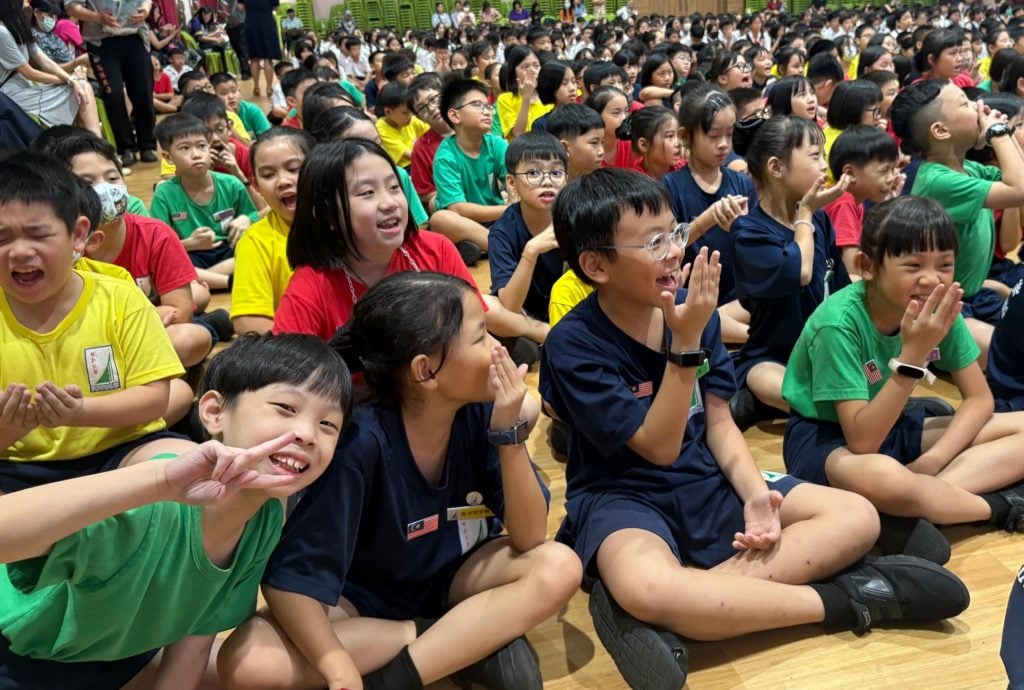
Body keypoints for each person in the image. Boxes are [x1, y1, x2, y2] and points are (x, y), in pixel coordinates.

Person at [539, 168, 969, 689]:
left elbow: (719, 421)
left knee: (856, 515)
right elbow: (656, 448)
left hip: (707, 477)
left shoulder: (698, 315)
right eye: (653, 243)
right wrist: (685, 345)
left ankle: (689, 608)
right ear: (595, 265)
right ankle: (851, 598)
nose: (675, 251)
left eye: (675, 233)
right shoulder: (573, 343)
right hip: (623, 495)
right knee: (649, 585)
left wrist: (752, 496)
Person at [220, 271, 580, 690]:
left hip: (457, 577)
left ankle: (406, 671)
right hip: (364, 601)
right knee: (249, 661)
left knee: (559, 566)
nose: (499, 347)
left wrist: (509, 437)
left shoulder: (483, 414)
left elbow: (532, 536)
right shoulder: (361, 443)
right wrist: (338, 666)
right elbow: (288, 584)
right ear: (425, 372)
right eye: (481, 337)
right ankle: (460, 641)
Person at [0, 332, 351, 688]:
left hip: (117, 656)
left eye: (328, 425)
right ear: (215, 412)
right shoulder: (156, 507)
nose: (307, 433)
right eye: (286, 408)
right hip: (22, 655)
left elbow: (193, 641)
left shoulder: (265, 520)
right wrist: (160, 482)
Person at [782, 195, 1024, 536]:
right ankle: (995, 508)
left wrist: (932, 462)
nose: (932, 279)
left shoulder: (938, 305)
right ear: (868, 266)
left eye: (944, 264)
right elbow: (863, 442)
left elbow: (980, 400)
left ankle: (921, 506)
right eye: (913, 266)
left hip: (894, 424)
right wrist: (912, 356)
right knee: (885, 478)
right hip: (827, 439)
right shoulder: (838, 324)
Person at [0, 152, 189, 491]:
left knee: (188, 467)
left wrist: (78, 412)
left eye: (38, 234)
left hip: (121, 452)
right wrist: (8, 430)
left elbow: (153, 398)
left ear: (78, 235)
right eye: (2, 238)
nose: (19, 252)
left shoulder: (119, 296)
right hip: (17, 466)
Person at [892, 79, 1024, 364]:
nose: (980, 107)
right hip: (940, 309)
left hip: (974, 297)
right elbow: (1020, 189)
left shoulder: (970, 169)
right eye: (965, 103)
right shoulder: (937, 180)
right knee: (1012, 360)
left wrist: (1006, 133)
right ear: (940, 131)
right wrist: (999, 133)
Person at [730, 116, 850, 429]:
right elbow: (800, 271)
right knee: (808, 398)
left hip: (825, 355)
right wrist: (805, 214)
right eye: (815, 156)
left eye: (823, 156)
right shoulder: (749, 231)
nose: (824, 166)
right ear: (776, 167)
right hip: (772, 358)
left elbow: (839, 292)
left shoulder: (820, 221)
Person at [663, 86, 755, 346]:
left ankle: (726, 330)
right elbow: (669, 245)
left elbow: (757, 245)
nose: (724, 144)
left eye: (729, 133)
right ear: (686, 136)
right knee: (693, 316)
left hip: (739, 298)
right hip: (693, 295)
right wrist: (708, 219)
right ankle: (748, 338)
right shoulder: (670, 186)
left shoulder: (741, 183)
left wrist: (741, 227)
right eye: (714, 136)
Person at [149, 113, 259, 291]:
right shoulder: (164, 193)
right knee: (167, 265)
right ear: (168, 157)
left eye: (201, 146)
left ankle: (203, 281)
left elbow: (255, 216)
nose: (196, 154)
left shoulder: (231, 184)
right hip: (190, 254)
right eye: (185, 148)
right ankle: (229, 282)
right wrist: (190, 243)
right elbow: (158, 245)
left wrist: (247, 219)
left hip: (229, 250)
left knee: (254, 251)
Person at [232, 127, 315, 336]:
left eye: (294, 169)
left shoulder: (350, 221)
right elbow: (248, 322)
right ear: (256, 186)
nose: (283, 181)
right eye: (268, 174)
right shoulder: (255, 242)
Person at [489, 131, 568, 341]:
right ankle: (547, 336)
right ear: (512, 183)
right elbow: (511, 306)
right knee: (487, 307)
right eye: (533, 173)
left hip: (570, 311)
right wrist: (531, 250)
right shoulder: (503, 231)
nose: (547, 181)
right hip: (526, 315)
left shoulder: (575, 218)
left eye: (556, 173)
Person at [65, 0, 157, 166]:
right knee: (112, 93)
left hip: (135, 37)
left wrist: (146, 9)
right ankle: (126, 147)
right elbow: (71, 6)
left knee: (143, 91)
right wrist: (97, 17)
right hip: (101, 42)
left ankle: (147, 145)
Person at [432, 77, 507, 265]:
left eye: (488, 106)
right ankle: (504, 246)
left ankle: (479, 245)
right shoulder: (445, 157)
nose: (487, 112)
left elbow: (516, 182)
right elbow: (458, 209)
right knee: (441, 219)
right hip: (466, 222)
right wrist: (507, 209)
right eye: (477, 105)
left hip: (496, 217)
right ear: (455, 116)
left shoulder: (497, 144)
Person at [0, 0, 99, 136]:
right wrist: (69, 80)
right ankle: (93, 142)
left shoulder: (18, 26)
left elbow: (43, 60)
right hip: (10, 95)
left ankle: (94, 141)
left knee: (82, 87)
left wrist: (70, 79)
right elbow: (29, 72)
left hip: (25, 86)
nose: (28, 3)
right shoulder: (2, 32)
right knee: (82, 88)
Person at [824, 125, 903, 278]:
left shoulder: (855, 200)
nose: (891, 178)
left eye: (894, 169)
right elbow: (852, 270)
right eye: (884, 171)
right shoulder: (843, 202)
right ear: (850, 173)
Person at [497, 45, 551, 140]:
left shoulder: (549, 95)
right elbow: (518, 133)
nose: (532, 71)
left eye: (536, 66)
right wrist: (526, 98)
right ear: (514, 72)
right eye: (525, 67)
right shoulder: (505, 99)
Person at [375, 82, 429, 169]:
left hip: (422, 160)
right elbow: (410, 156)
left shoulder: (412, 120)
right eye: (405, 113)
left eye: (411, 111)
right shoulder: (381, 130)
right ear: (388, 112)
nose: (410, 115)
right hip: (407, 168)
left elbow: (433, 134)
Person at [545, 102, 605, 179]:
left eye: (602, 142)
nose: (602, 152)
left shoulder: (601, 184)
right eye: (594, 143)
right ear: (564, 148)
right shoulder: (548, 188)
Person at [619, 106, 682, 180]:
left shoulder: (685, 170)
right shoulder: (634, 181)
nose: (679, 143)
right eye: (670, 136)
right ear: (644, 145)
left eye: (680, 135)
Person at [584, 85, 639, 169]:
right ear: (596, 115)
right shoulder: (586, 150)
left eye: (626, 111)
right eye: (616, 113)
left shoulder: (631, 145)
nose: (624, 118)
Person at [212, 71, 272, 138]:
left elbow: (268, 139)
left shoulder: (252, 110)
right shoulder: (214, 118)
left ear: (239, 91)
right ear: (214, 96)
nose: (231, 96)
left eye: (234, 91)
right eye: (224, 93)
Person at [240, 0, 281, 98]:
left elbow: (240, 8)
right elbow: (275, 7)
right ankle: (269, 87)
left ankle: (256, 86)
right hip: (267, 23)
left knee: (254, 58)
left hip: (251, 23)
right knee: (268, 58)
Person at [531, 60, 576, 132]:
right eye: (564, 83)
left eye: (573, 82)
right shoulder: (542, 125)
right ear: (550, 87)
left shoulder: (587, 115)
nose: (572, 88)